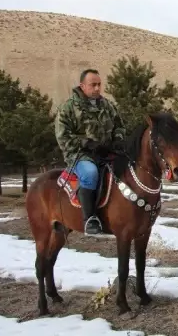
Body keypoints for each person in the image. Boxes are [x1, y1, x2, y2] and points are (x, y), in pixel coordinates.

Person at [55, 69, 126, 235]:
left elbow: (119, 126)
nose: (97, 88)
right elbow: (62, 137)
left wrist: (117, 139)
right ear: (82, 85)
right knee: (90, 174)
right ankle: (90, 219)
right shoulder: (68, 108)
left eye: (99, 84)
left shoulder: (107, 105)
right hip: (80, 155)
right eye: (92, 85)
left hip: (107, 152)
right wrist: (87, 143)